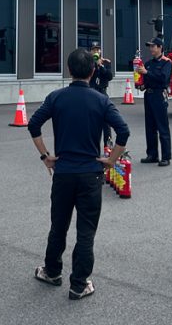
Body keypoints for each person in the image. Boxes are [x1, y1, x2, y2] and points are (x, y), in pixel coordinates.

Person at [28, 48, 130, 300]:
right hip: (90, 173)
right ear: (93, 71)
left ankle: (52, 272)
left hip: (63, 171)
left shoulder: (56, 97)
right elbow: (123, 131)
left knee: (58, 225)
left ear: (69, 70)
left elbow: (33, 124)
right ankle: (79, 283)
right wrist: (111, 160)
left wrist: (45, 156)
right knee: (86, 231)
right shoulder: (101, 100)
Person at [138, 37, 172, 166]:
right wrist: (142, 85)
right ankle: (152, 154)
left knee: (162, 126)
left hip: (159, 95)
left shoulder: (166, 62)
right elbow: (147, 80)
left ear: (160, 47)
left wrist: (147, 72)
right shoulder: (148, 63)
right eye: (150, 46)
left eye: (153, 46)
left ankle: (166, 157)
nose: (151, 49)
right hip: (149, 95)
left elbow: (163, 78)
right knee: (150, 127)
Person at [86, 42, 115, 146]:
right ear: (90, 51)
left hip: (102, 92)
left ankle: (108, 146)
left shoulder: (106, 62)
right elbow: (87, 76)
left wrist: (101, 65)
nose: (96, 52)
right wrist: (93, 64)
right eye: (94, 50)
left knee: (106, 122)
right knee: (92, 122)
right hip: (92, 92)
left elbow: (109, 76)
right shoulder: (88, 63)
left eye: (98, 50)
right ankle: (92, 146)